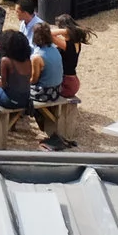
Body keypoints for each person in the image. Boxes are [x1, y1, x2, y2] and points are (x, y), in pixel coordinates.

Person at [30, 22, 74, 150]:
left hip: (45, 94)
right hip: (57, 90)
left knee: (19, 91)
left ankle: (33, 117)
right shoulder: (55, 50)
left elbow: (34, 80)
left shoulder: (37, 57)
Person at [52, 15, 88, 98]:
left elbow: (48, 34)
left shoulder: (66, 45)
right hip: (72, 80)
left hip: (67, 83)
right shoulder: (76, 42)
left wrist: (66, 30)